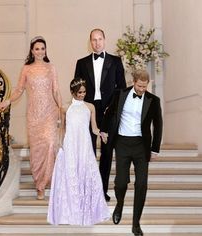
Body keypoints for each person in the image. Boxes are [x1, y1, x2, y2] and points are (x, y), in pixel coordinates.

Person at [0, 36, 62, 200]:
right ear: (32, 51)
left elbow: (56, 90)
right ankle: (40, 186)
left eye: (43, 48)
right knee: (37, 150)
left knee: (51, 143)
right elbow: (19, 89)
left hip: (50, 113)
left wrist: (61, 109)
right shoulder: (26, 68)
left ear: (45, 50)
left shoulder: (51, 67)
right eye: (37, 49)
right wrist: (7, 101)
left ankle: (50, 181)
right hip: (34, 115)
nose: (40, 51)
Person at [100, 69, 163, 236]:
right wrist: (104, 130)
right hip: (121, 142)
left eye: (145, 86)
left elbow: (158, 125)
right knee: (121, 182)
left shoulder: (153, 100)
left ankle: (136, 224)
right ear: (133, 82)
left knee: (141, 184)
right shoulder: (120, 94)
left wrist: (155, 148)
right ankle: (119, 204)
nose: (142, 89)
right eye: (140, 86)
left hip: (141, 146)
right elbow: (109, 112)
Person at [47, 78, 110, 225]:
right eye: (79, 92)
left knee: (86, 173)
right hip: (70, 143)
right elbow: (62, 128)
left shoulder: (90, 107)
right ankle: (69, 212)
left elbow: (94, 128)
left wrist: (101, 133)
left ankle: (87, 210)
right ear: (72, 92)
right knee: (70, 174)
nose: (82, 94)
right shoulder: (64, 108)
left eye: (84, 92)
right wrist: (59, 144)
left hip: (84, 144)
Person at [74, 28, 126, 201]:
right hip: (88, 111)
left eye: (100, 39)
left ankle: (101, 191)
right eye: (94, 40)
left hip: (108, 112)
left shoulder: (116, 61)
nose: (97, 43)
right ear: (90, 42)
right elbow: (76, 90)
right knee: (87, 151)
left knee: (106, 152)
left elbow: (121, 89)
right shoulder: (81, 63)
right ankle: (86, 190)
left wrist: (112, 109)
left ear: (104, 40)